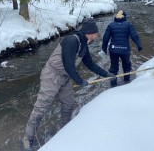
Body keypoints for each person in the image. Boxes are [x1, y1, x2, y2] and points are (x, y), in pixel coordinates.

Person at [22, 18, 115, 150]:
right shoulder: (72, 41)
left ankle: (66, 130)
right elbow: (69, 65)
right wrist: (80, 81)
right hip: (52, 75)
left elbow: (90, 64)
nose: (96, 36)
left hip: (65, 77)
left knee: (68, 103)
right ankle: (27, 138)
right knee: (42, 107)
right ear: (89, 33)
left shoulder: (84, 44)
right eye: (96, 33)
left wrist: (106, 75)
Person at [101, 10, 142, 87]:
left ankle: (113, 85)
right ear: (125, 17)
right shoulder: (128, 24)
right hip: (125, 50)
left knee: (114, 67)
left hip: (113, 50)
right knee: (126, 65)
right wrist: (139, 45)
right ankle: (126, 82)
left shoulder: (111, 25)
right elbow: (134, 36)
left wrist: (104, 49)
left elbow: (105, 38)